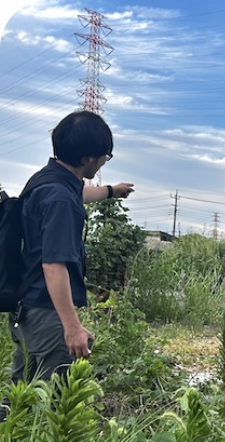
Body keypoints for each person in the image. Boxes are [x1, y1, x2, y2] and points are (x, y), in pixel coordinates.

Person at [0, 110, 133, 423]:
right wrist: (72, 327)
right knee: (54, 405)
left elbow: (78, 192)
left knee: (19, 395)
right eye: (105, 156)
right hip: (47, 312)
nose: (104, 161)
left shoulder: (47, 180)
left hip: (26, 307)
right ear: (88, 159)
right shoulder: (61, 201)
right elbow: (53, 265)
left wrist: (111, 191)